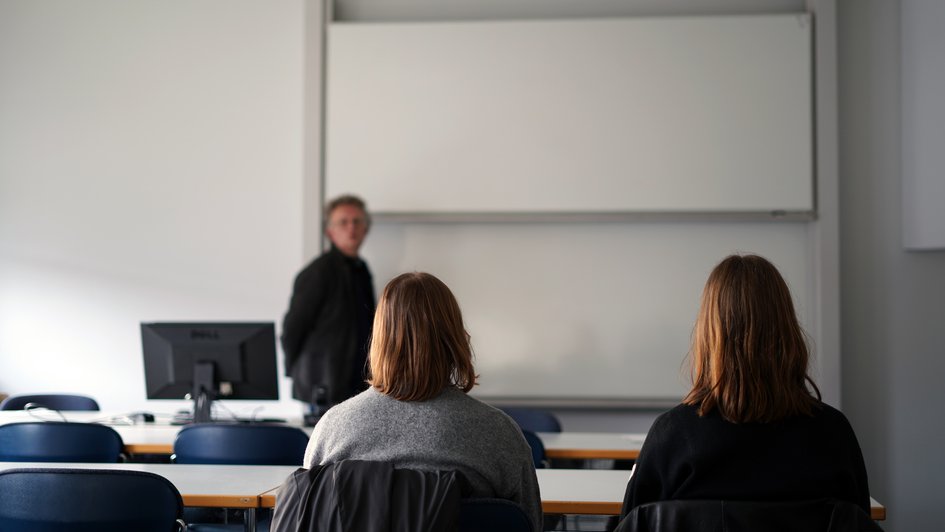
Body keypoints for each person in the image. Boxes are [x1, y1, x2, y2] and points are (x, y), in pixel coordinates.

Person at [621, 254, 871, 517]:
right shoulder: (833, 435)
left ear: (709, 335)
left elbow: (633, 521)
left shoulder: (672, 436)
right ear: (787, 331)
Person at [302, 272, 543, 531]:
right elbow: (531, 524)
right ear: (454, 338)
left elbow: (307, 518)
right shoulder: (499, 432)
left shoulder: (332, 428)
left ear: (380, 340)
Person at [281, 195, 375, 416]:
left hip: (357, 386)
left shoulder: (362, 271)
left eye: (357, 222)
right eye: (343, 222)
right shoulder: (317, 273)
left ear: (365, 229)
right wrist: (299, 376)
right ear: (330, 232)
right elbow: (292, 331)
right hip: (323, 389)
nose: (351, 228)